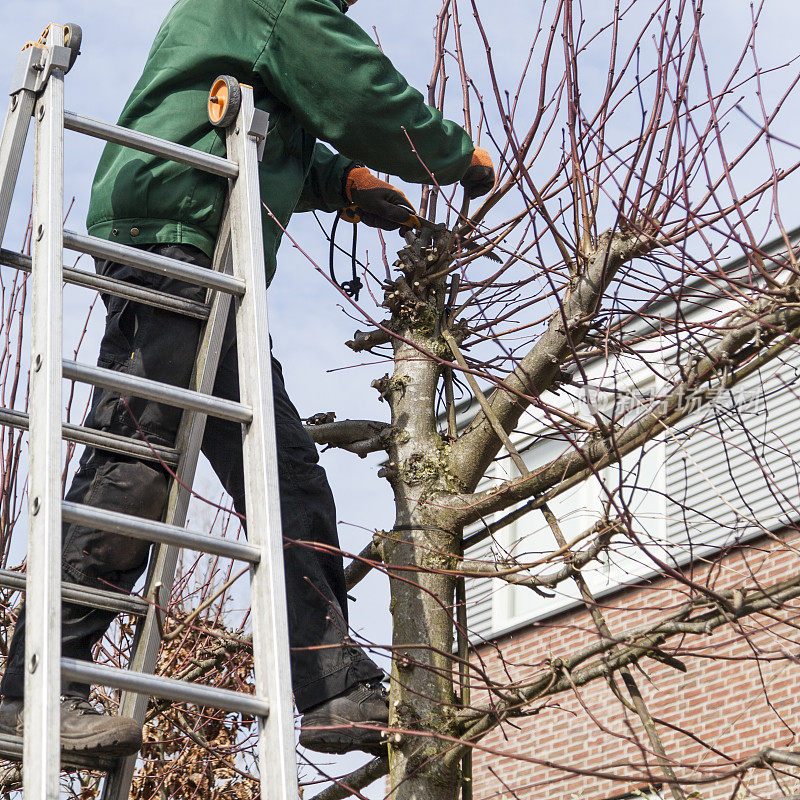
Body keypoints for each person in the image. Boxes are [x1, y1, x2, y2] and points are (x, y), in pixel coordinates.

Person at [0, 0, 495, 758]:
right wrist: (452, 154)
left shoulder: (268, 26)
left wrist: (344, 185)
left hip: (215, 256)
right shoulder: (280, 2)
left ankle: (332, 687)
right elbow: (359, 93)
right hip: (175, 224)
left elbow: (281, 118)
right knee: (140, 461)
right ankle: (31, 685)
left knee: (285, 474)